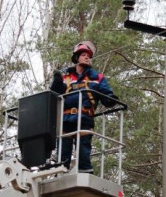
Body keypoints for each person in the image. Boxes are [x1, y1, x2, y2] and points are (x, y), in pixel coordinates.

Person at [50, 40, 117, 174]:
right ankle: (61, 174)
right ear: (76, 57)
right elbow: (54, 95)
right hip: (66, 119)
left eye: (89, 55)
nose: (87, 57)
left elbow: (107, 94)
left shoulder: (97, 77)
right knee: (63, 154)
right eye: (83, 55)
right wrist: (56, 82)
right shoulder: (65, 77)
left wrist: (110, 99)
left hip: (85, 118)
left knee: (83, 151)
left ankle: (85, 173)